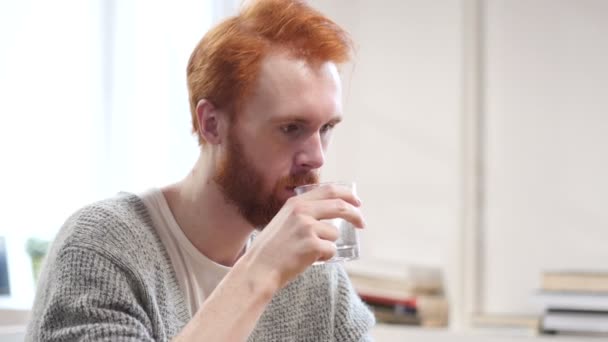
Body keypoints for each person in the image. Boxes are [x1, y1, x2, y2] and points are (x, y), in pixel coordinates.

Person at [26, 0, 375, 340]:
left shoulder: (310, 271)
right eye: (290, 128)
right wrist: (260, 273)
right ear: (211, 124)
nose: (316, 157)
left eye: (326, 128)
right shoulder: (100, 248)